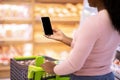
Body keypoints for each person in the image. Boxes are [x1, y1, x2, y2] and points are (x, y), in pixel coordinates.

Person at [41, 0, 120, 80]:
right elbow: (96, 48)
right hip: (107, 76)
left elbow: (74, 64)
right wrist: (64, 38)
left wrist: (54, 69)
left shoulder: (93, 22)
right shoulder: (115, 19)